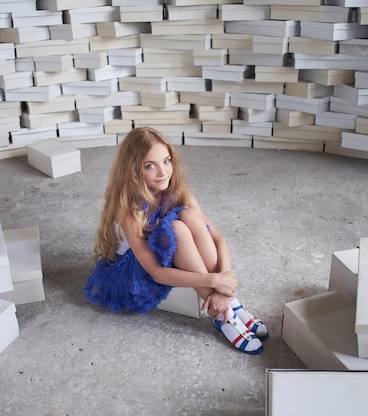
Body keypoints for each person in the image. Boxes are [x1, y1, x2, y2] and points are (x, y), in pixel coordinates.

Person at [84, 127, 268, 354]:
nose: (162, 172)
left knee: (189, 215)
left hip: (174, 254)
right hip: (138, 268)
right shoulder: (128, 209)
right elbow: (156, 273)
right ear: (132, 171)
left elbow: (218, 239)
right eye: (149, 166)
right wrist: (214, 279)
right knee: (177, 228)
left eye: (166, 161)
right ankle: (224, 316)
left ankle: (229, 302)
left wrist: (224, 284)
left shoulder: (178, 190)